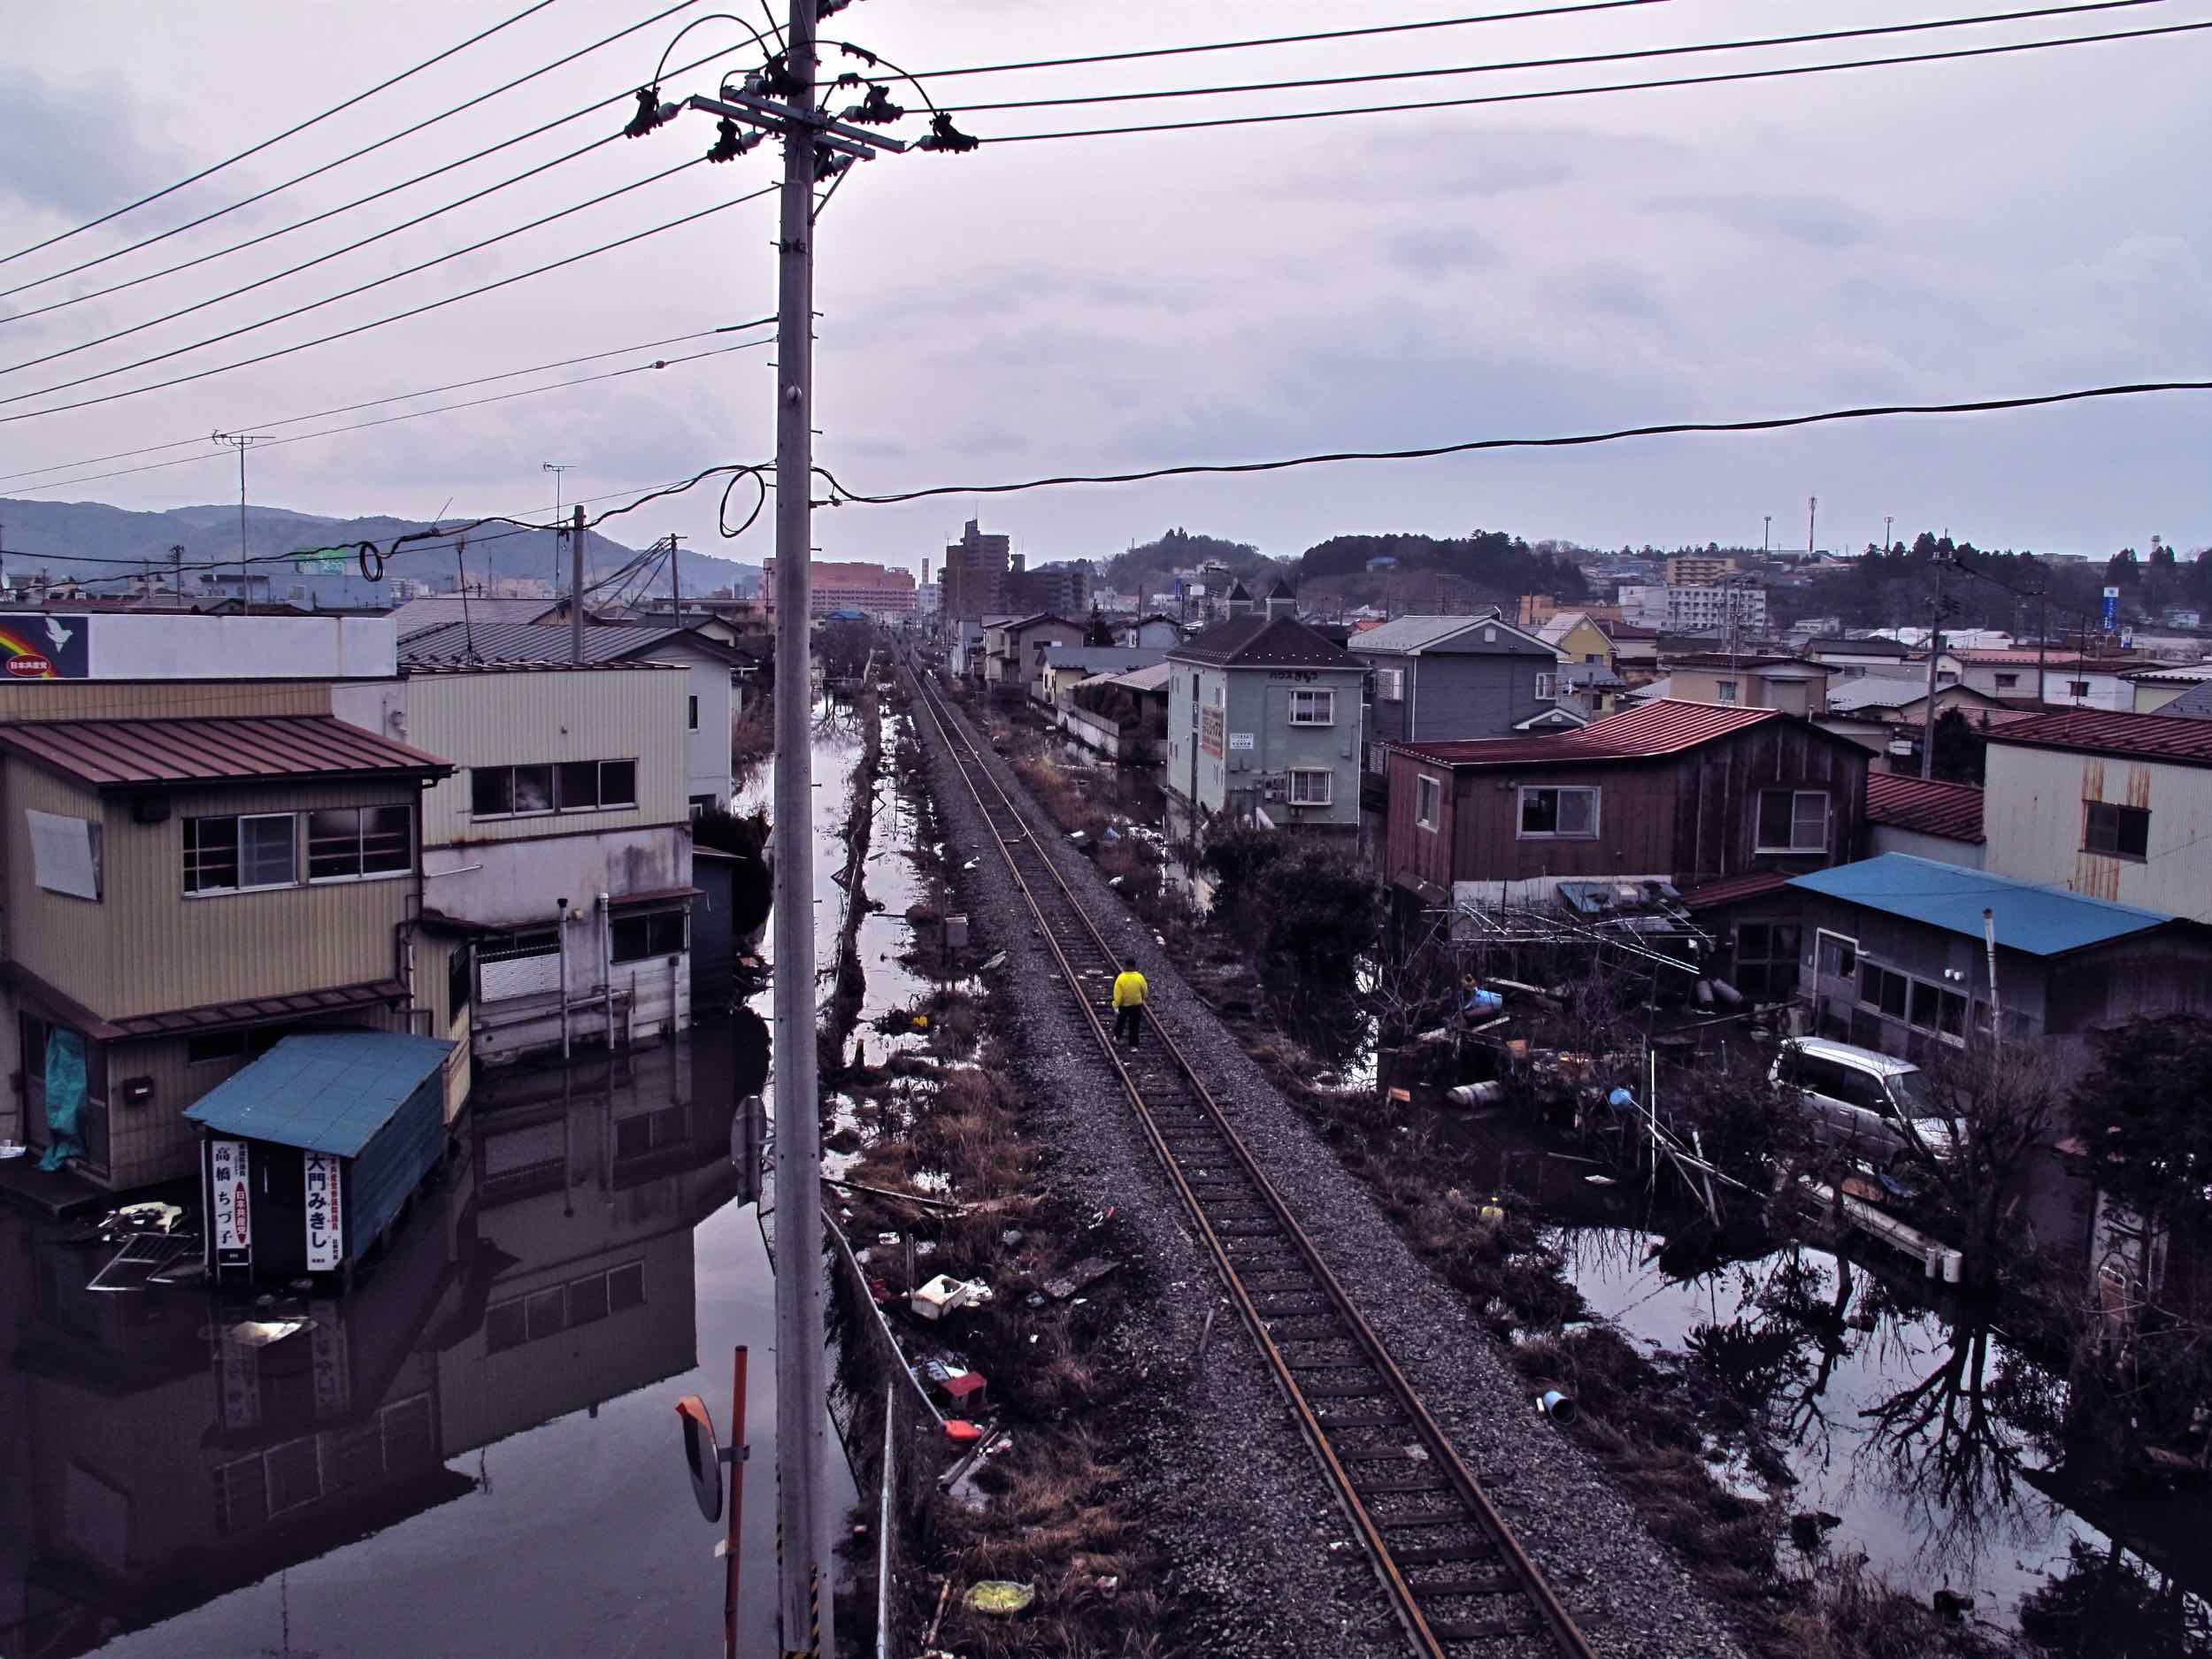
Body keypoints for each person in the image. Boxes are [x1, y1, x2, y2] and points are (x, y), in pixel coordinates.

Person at [1110, 956, 1148, 1050]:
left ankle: (1117, 1038)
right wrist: (1141, 999)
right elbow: (1145, 990)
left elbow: (1118, 994)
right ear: (1134, 966)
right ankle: (1133, 1046)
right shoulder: (1140, 977)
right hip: (1136, 1006)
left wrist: (1116, 1005)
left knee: (1121, 1022)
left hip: (1124, 1006)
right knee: (1134, 1025)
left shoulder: (1121, 978)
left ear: (1126, 966)